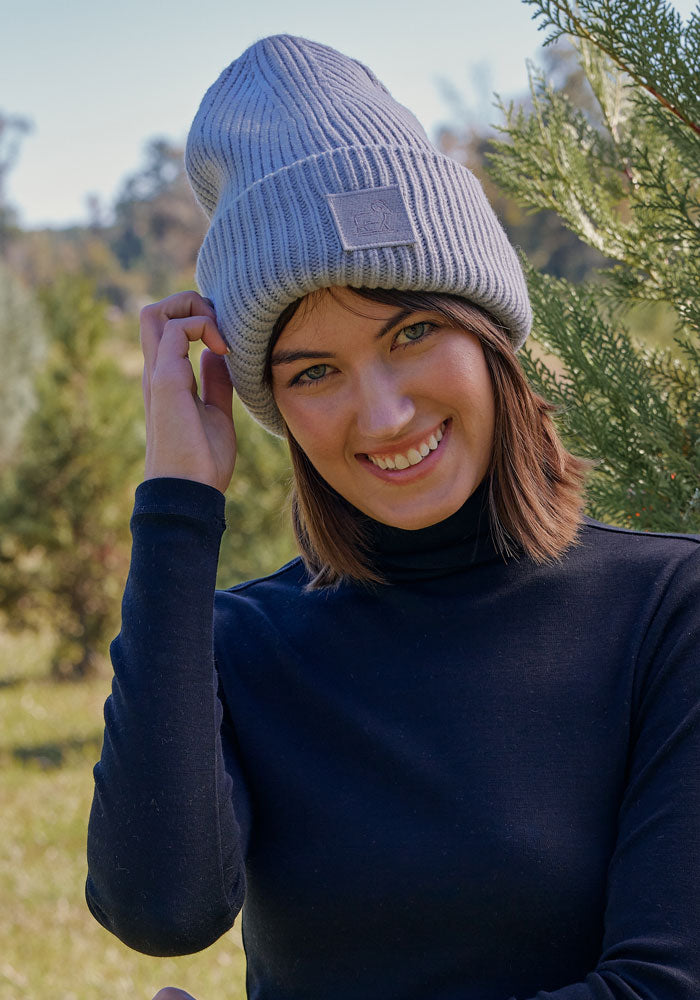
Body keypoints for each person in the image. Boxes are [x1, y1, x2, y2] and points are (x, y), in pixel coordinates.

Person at [85, 34, 700, 1000]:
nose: (383, 415)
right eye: (313, 372)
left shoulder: (669, 610)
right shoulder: (244, 642)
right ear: (276, 407)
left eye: (411, 333)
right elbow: (160, 911)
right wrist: (177, 508)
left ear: (489, 333)